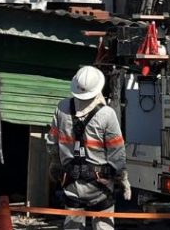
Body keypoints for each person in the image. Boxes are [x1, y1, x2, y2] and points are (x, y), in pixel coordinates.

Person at [47, 66, 129, 230]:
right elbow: (117, 154)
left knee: (72, 226)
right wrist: (123, 180)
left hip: (71, 184)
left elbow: (52, 143)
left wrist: (55, 165)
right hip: (101, 186)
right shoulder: (107, 114)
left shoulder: (61, 108)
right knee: (103, 226)